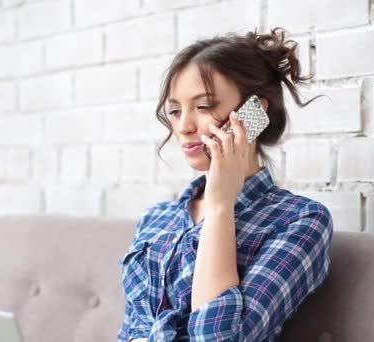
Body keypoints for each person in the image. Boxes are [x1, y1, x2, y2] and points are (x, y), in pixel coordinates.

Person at [117, 27, 334, 342]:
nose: (183, 127)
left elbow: (217, 338)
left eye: (204, 106)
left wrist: (220, 206)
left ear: (254, 112)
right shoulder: (156, 217)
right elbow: (132, 331)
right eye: (176, 111)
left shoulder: (300, 221)